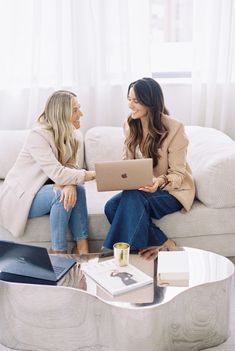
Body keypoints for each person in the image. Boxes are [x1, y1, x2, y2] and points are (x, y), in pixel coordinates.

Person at [103, 78, 195, 260]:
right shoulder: (130, 123)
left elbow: (178, 173)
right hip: (142, 189)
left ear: (150, 102)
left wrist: (158, 181)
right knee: (111, 207)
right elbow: (127, 164)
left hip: (171, 190)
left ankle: (123, 258)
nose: (130, 105)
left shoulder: (174, 128)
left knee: (132, 196)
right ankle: (163, 242)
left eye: (135, 101)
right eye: (129, 99)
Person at [0, 90, 95, 254]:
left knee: (77, 190)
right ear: (61, 114)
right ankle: (59, 252)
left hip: (48, 189)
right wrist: (92, 174)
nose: (81, 113)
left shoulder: (73, 135)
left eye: (79, 108)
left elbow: (71, 168)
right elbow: (58, 173)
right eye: (75, 110)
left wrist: (71, 184)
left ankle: (82, 249)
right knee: (60, 194)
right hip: (23, 196)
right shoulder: (38, 136)